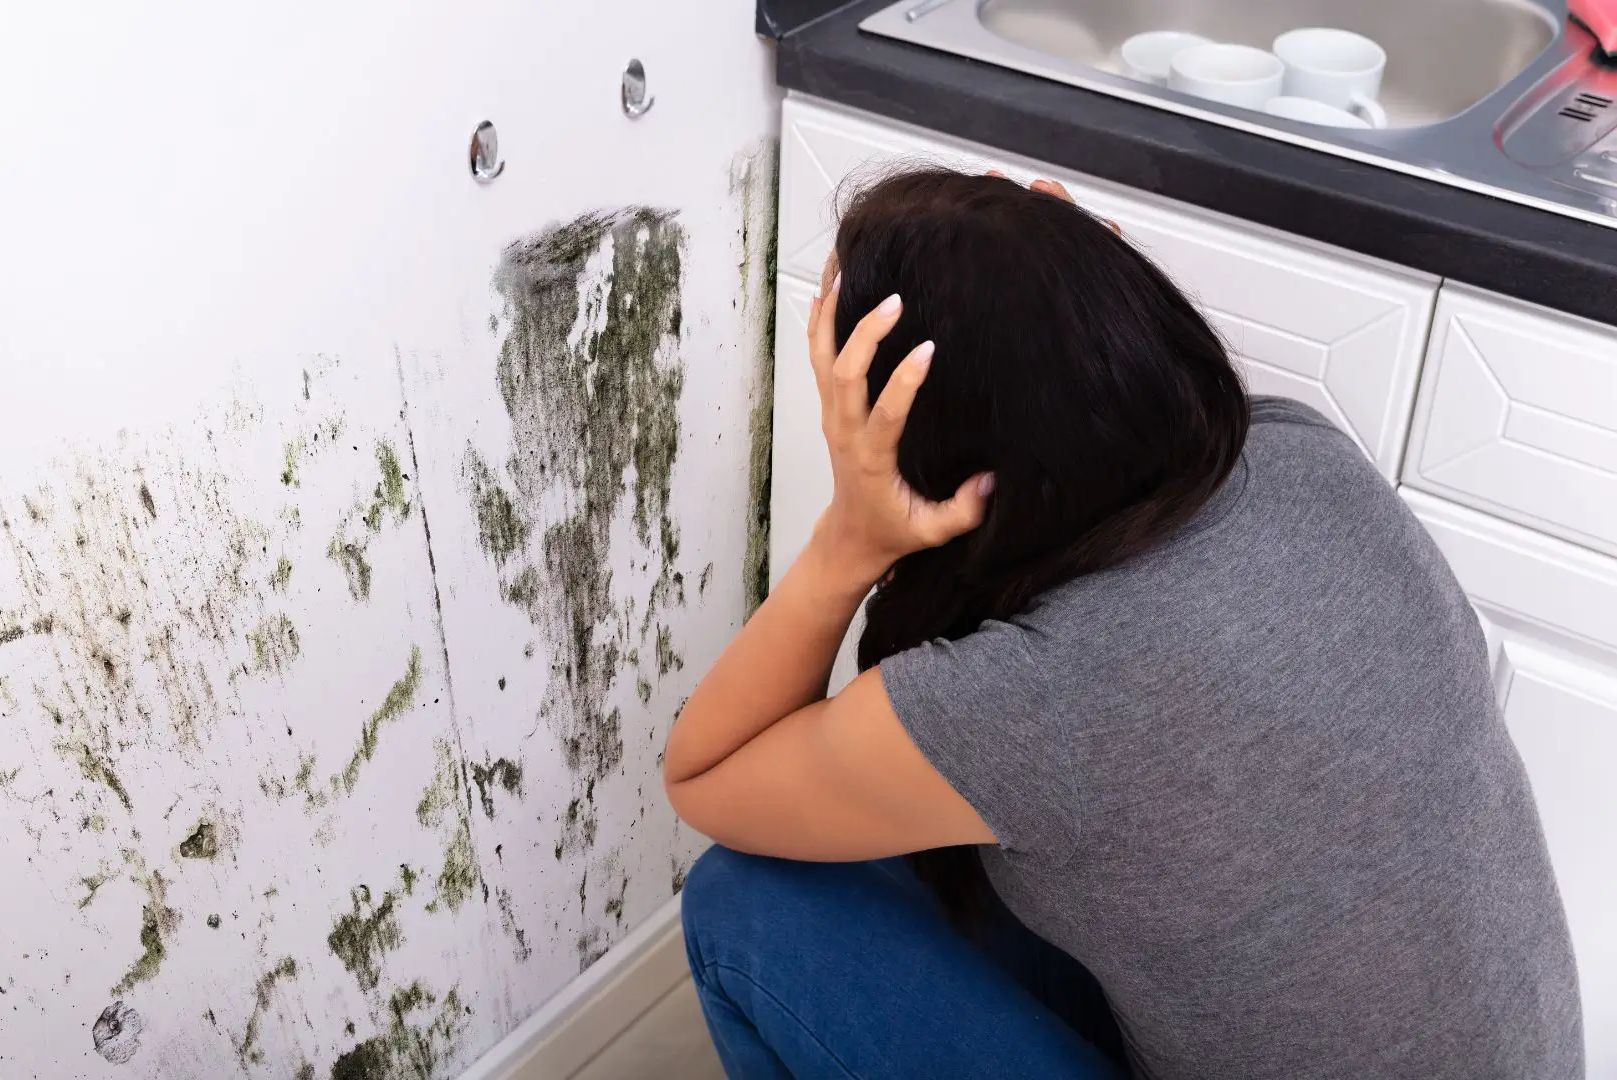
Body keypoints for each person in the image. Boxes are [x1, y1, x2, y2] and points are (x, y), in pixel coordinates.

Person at [663, 167, 1582, 1079]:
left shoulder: (1027, 701)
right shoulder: (1304, 454)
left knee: (746, 903)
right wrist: (1062, 299)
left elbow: (706, 777)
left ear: (931, 456)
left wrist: (849, 540)